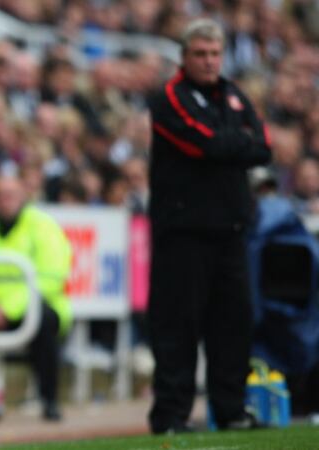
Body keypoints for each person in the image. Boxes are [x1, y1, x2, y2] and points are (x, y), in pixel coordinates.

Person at [146, 18, 271, 434]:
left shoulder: (234, 95)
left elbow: (262, 147)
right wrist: (233, 144)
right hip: (183, 234)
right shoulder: (169, 96)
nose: (209, 61)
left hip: (231, 231)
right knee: (178, 327)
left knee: (233, 325)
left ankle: (231, 410)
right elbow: (202, 142)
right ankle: (170, 416)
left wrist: (227, 144)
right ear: (184, 57)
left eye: (214, 53)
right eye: (200, 54)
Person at [0, 175, 72, 421]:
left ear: (23, 197)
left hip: (31, 308)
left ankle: (49, 400)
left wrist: (9, 309)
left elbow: (51, 276)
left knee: (44, 323)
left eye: (10, 195)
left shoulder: (43, 226)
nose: (4, 201)